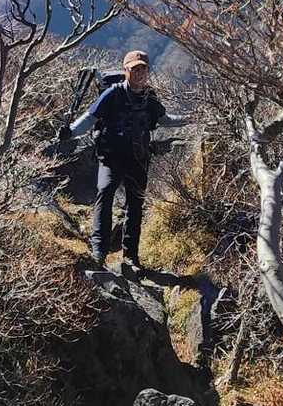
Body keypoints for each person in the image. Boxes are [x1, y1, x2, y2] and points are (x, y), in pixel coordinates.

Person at [62, 49, 191, 273]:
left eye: (143, 69)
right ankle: (99, 251)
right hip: (111, 157)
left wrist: (190, 118)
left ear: (148, 71)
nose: (139, 73)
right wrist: (71, 132)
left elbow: (164, 119)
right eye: (135, 69)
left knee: (135, 204)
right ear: (126, 70)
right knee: (105, 193)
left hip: (138, 157)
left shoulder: (150, 97)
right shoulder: (112, 94)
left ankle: (131, 257)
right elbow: (90, 118)